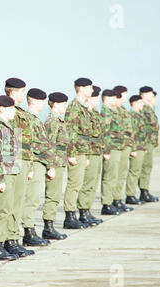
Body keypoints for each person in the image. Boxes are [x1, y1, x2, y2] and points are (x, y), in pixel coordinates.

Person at [0, 95, 22, 261]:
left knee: (8, 209)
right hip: (3, 174)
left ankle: (5, 243)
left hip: (11, 172)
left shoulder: (8, 127)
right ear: (3, 109)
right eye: (12, 108)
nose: (14, 111)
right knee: (1, 210)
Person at [3, 77, 36, 256]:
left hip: (22, 161)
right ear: (13, 92)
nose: (24, 94)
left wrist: (29, 166)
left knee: (18, 202)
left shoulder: (20, 111)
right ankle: (9, 239)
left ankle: (14, 238)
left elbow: (27, 142)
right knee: (11, 203)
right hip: (13, 162)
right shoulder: (9, 111)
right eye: (22, 91)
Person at [22, 88, 56, 246]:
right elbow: (30, 145)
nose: (44, 103)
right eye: (41, 100)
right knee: (32, 199)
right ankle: (28, 231)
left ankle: (30, 229)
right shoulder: (29, 119)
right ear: (33, 101)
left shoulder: (36, 119)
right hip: (35, 162)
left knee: (34, 198)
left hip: (40, 162)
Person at [64, 77, 94, 229]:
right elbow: (70, 133)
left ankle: (78, 215)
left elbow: (86, 133)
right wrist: (71, 154)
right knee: (74, 184)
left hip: (82, 151)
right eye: (90, 88)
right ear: (81, 89)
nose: (92, 91)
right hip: (76, 152)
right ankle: (70, 216)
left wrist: (87, 155)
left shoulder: (83, 107)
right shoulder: (74, 107)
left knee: (79, 183)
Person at [41, 92, 69, 240]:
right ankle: (48, 227)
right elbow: (49, 145)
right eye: (64, 104)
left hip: (59, 163)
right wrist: (51, 166)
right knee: (52, 196)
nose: (65, 106)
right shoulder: (52, 122)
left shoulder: (58, 121)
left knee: (55, 195)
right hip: (54, 164)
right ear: (56, 104)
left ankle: (50, 225)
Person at [77, 85, 104, 226]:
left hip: (97, 150)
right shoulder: (86, 112)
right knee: (87, 182)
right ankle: (83, 211)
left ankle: (87, 209)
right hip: (90, 150)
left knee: (93, 182)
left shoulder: (94, 112)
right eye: (96, 97)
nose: (97, 100)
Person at [100, 89, 125, 215]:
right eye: (114, 97)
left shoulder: (111, 111)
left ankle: (111, 202)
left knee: (114, 176)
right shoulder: (105, 112)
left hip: (116, 147)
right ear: (108, 98)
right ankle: (107, 204)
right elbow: (105, 132)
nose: (116, 100)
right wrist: (106, 150)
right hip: (111, 148)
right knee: (109, 176)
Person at [112, 85, 134, 212]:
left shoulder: (123, 109)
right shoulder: (115, 110)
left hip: (125, 146)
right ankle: (114, 199)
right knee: (116, 174)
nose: (126, 96)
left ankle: (117, 199)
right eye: (125, 94)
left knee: (122, 174)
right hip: (118, 146)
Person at [125, 95, 149, 204]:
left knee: (137, 171)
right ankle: (130, 195)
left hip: (140, 147)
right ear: (134, 103)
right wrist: (133, 149)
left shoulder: (138, 115)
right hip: (136, 147)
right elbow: (132, 134)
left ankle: (133, 194)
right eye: (140, 102)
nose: (142, 105)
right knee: (134, 171)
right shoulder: (132, 115)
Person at [138, 86, 159, 202]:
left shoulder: (149, 108)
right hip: (145, 142)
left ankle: (145, 190)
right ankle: (143, 191)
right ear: (144, 95)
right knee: (144, 167)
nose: (152, 96)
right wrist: (144, 144)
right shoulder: (144, 108)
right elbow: (142, 128)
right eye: (150, 94)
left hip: (149, 142)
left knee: (147, 167)